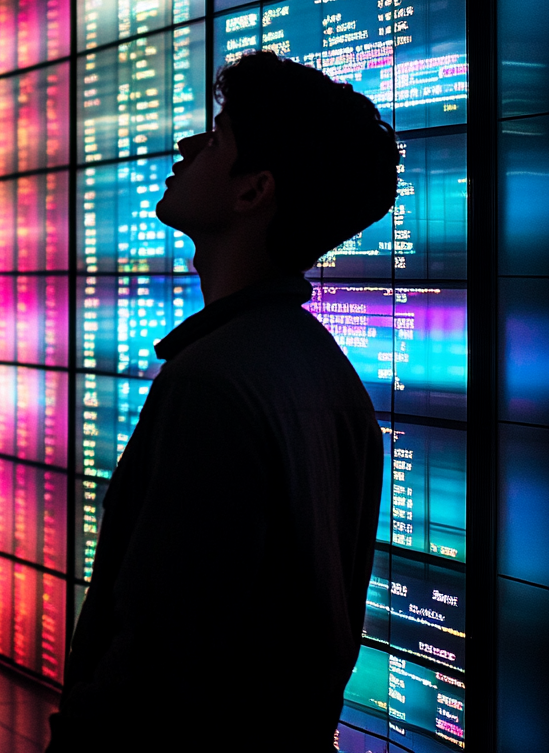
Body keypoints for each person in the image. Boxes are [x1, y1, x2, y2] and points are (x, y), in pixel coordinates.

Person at [48, 51, 399, 752]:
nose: (188, 147)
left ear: (254, 191)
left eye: (217, 137)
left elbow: (159, 656)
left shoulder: (212, 382)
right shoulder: (331, 380)